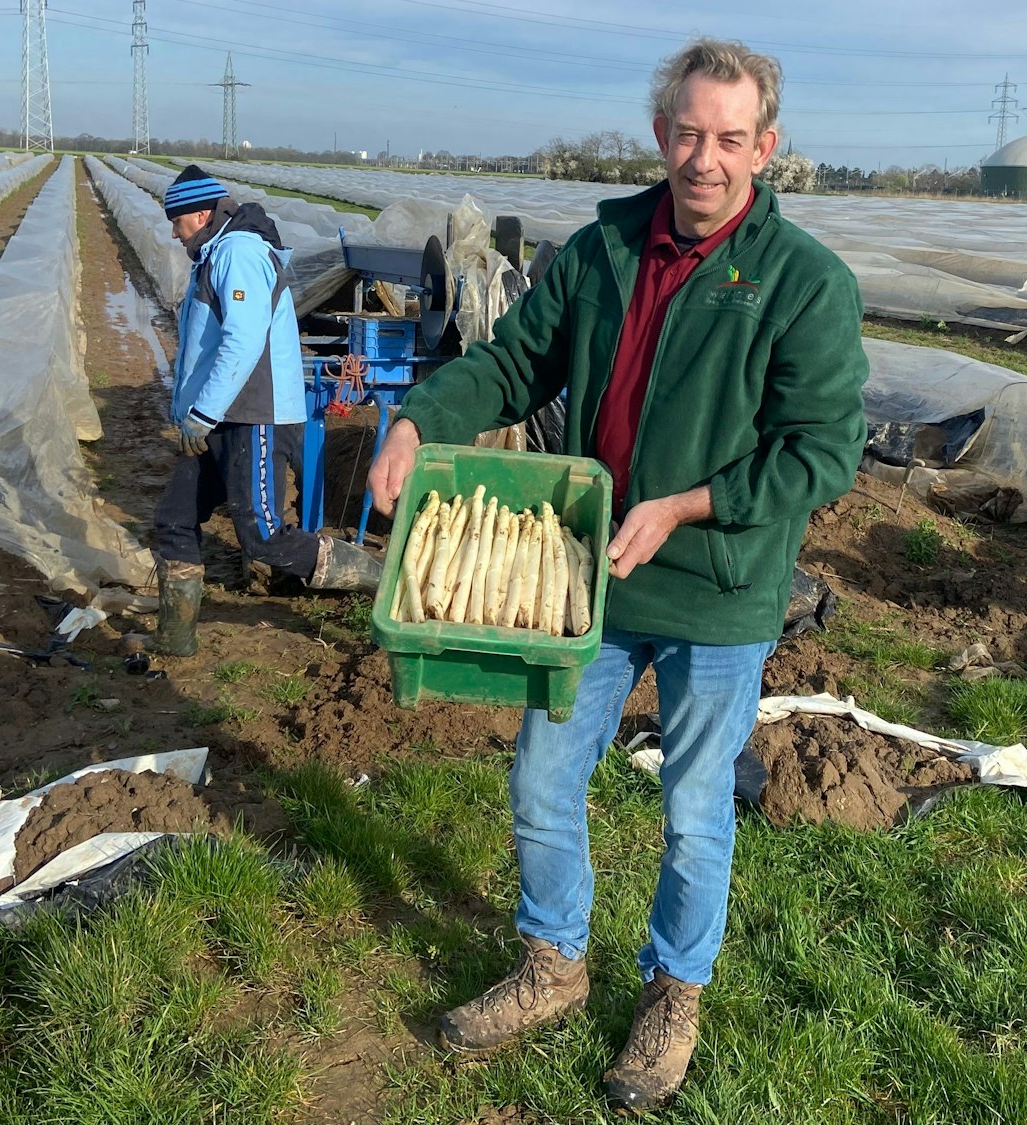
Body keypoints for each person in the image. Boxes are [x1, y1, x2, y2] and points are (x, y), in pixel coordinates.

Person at [367, 39, 868, 1112]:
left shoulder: (801, 282)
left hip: (719, 588)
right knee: (542, 781)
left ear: (764, 148)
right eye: (687, 133)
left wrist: (689, 504)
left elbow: (821, 449)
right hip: (587, 576)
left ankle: (672, 991)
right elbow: (513, 363)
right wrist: (417, 419)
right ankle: (552, 964)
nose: (704, 159)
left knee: (695, 807)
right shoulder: (600, 248)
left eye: (730, 139)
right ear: (660, 134)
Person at [151, 165, 379, 657]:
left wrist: (203, 411)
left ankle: (380, 580)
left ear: (202, 213)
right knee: (173, 517)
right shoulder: (214, 252)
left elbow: (243, 339)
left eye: (177, 221)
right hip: (219, 416)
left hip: (255, 414)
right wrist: (192, 410)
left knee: (262, 535)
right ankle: (174, 643)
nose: (173, 231)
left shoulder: (239, 252)